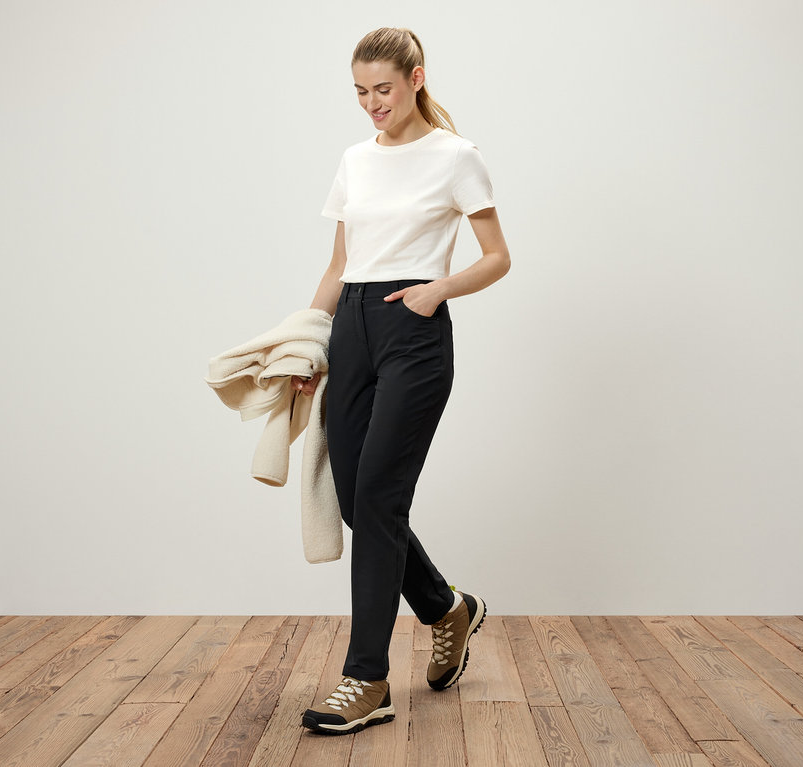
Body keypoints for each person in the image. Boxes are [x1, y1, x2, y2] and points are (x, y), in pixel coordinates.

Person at [296, 26, 510, 735]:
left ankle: (367, 678)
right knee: (362, 502)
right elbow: (337, 265)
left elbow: (497, 256)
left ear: (417, 78)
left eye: (382, 89)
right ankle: (447, 605)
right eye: (360, 92)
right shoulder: (355, 159)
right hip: (352, 325)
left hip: (414, 330)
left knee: (380, 498)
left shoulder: (456, 157)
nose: (371, 104)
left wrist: (436, 289)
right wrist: (309, 342)